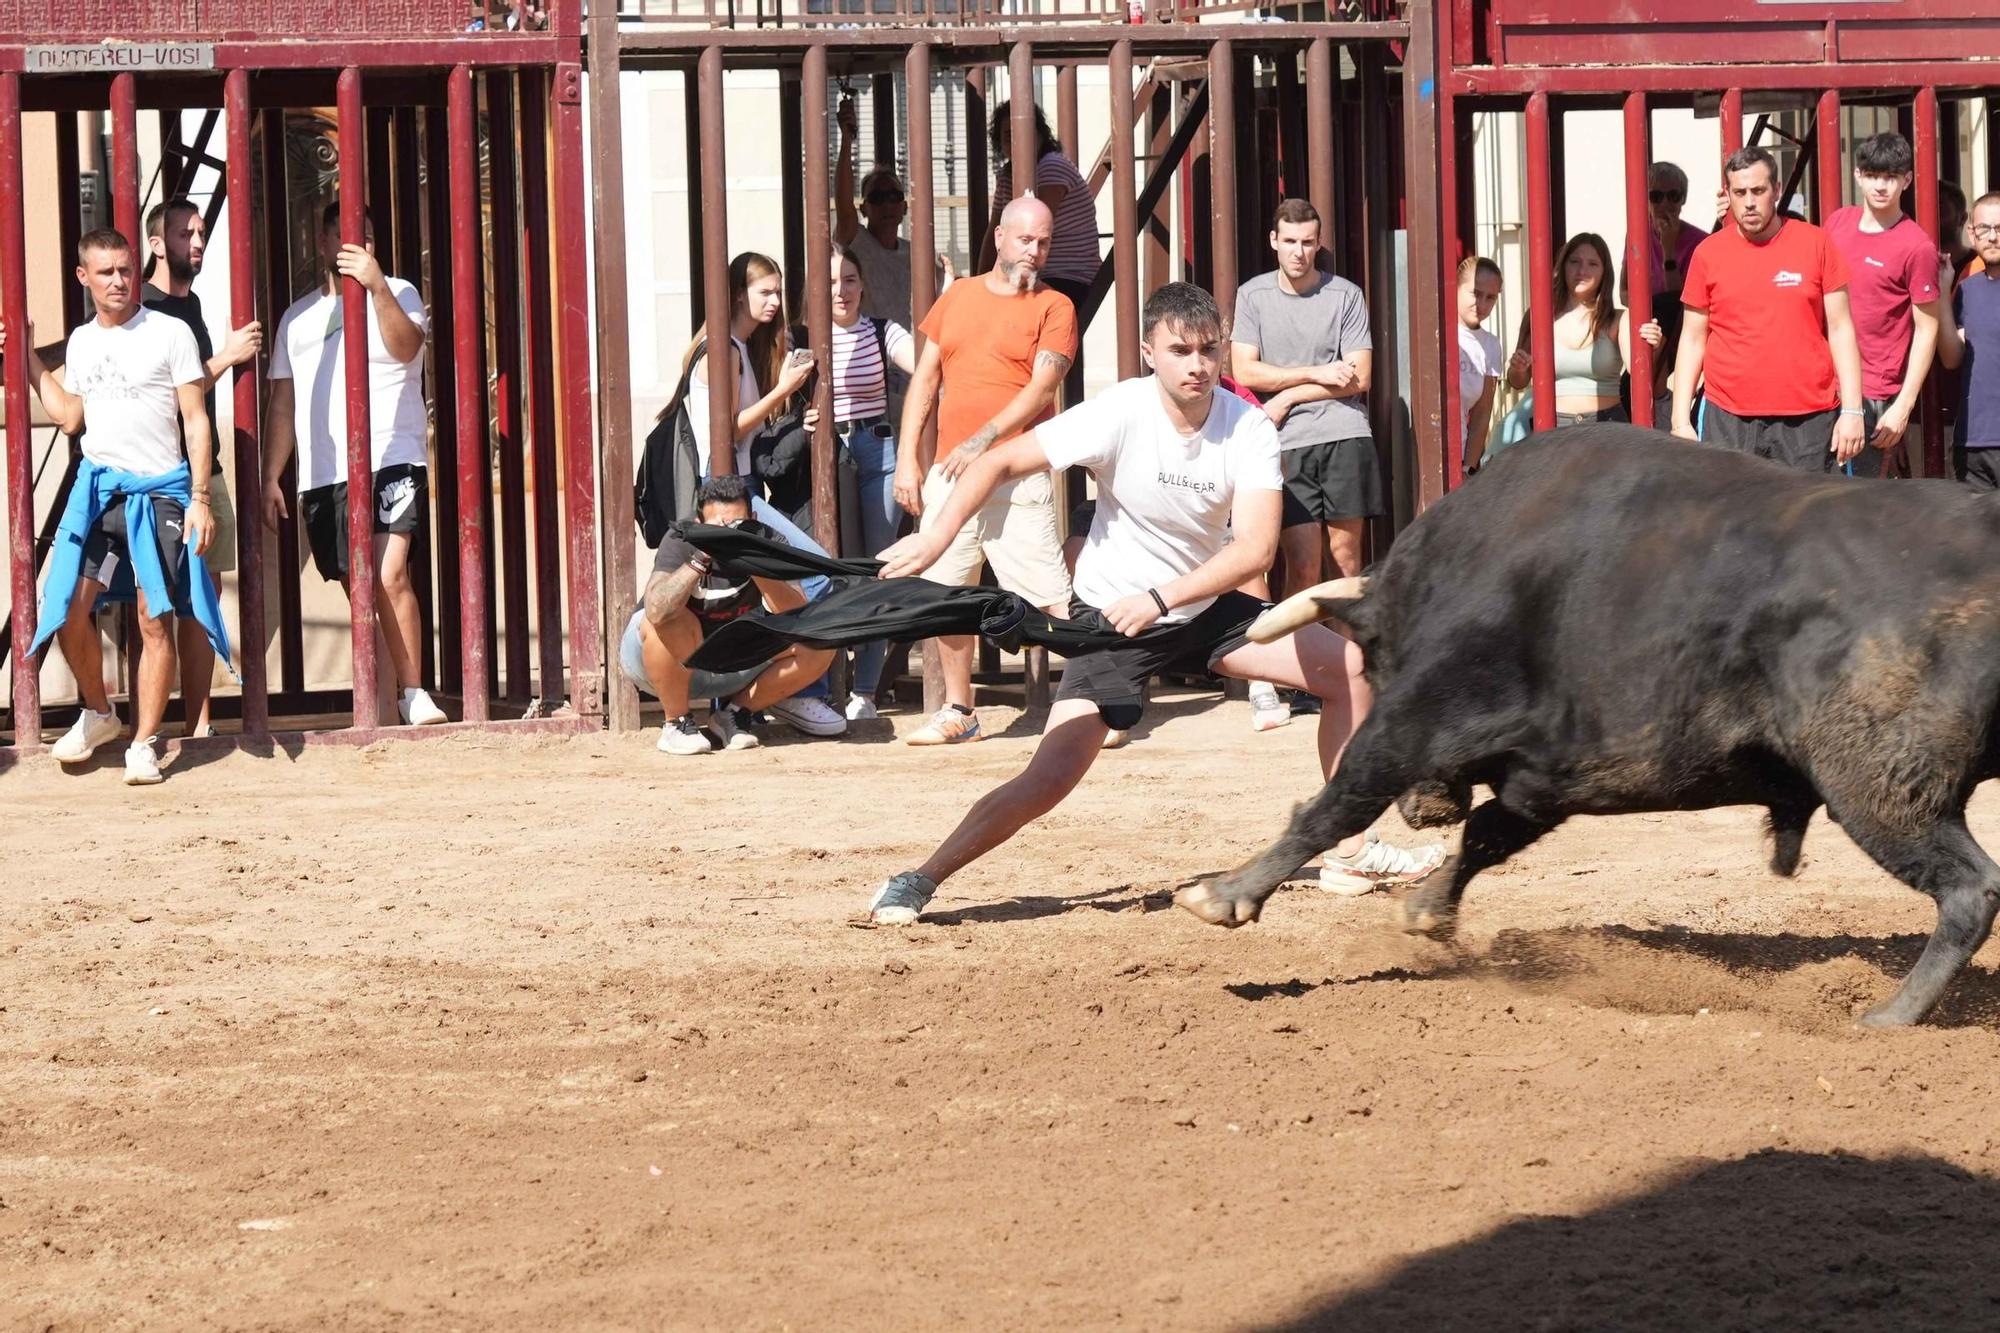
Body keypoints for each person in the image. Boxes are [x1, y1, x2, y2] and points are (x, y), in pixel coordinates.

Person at [861, 282, 1443, 925]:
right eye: (1179, 351)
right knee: (1048, 779)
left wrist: (1163, 595)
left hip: (1201, 609)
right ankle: (919, 878)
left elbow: (1254, 550)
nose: (1197, 365)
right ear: (1148, 353)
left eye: (1207, 351)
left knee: (1352, 672)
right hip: (1115, 624)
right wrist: (935, 536)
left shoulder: (1246, 426)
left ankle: (1350, 849)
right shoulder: (1120, 411)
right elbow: (1000, 462)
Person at [4, 229, 219, 784]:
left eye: (125, 270)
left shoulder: (170, 332)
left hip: (162, 494)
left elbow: (195, 418)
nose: (120, 281)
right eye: (106, 273)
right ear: (85, 278)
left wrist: (200, 498)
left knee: (154, 620)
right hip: (100, 494)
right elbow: (72, 417)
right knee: (71, 609)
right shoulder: (81, 342)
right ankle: (100, 713)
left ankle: (143, 743)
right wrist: (28, 361)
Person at [892, 196, 1076, 746]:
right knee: (945, 594)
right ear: (999, 237)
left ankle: (1090, 700)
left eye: (1043, 242)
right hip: (950, 470)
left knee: (1049, 594)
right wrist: (908, 459)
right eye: (1025, 239)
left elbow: (1043, 388)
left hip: (1016, 470)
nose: (1034, 252)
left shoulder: (1055, 306)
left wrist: (984, 439)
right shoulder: (959, 296)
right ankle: (959, 710)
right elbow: (924, 379)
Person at [260, 202, 446, 728]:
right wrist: (271, 474)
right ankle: (383, 712)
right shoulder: (297, 319)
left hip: (392, 456)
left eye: (365, 236)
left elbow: (408, 348)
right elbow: (283, 402)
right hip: (324, 474)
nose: (355, 247)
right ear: (322, 243)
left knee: (388, 575)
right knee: (361, 591)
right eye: (344, 238)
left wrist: (378, 287)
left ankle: (415, 692)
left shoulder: (401, 291)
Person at [141, 197, 262, 738]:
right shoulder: (144, 309)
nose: (198, 239)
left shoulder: (190, 306)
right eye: (186, 231)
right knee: (149, 607)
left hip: (204, 473)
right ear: (155, 243)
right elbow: (164, 397)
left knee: (201, 601)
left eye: (203, 230)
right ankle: (142, 728)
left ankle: (200, 724)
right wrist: (227, 357)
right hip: (158, 477)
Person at [1671, 147, 1866, 471]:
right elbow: (1692, 339)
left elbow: (1842, 329)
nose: (1749, 202)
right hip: (1728, 417)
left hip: (1810, 418)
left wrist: (1853, 410)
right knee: (1729, 520)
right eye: (1740, 192)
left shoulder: (1816, 243)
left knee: (1812, 521)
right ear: (1728, 194)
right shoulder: (1707, 253)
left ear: (1776, 190)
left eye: (1758, 191)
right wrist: (1680, 421)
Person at [618, 475, 838, 755]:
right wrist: (700, 557)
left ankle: (734, 715)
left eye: (738, 525)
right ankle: (676, 723)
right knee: (666, 618)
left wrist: (755, 560)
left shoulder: (768, 540)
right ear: (698, 525)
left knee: (819, 638)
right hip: (662, 665)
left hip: (731, 662)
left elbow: (796, 616)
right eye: (717, 528)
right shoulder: (680, 539)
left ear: (754, 518)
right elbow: (656, 609)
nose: (729, 534)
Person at [1231, 199, 1376, 588]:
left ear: (1318, 243)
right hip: (1284, 441)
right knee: (1303, 563)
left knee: (1345, 562)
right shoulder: (1252, 296)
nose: (1299, 252)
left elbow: (1359, 377)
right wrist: (1318, 372)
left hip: (1344, 434)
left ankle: (1349, 651)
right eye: (1291, 241)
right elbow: (1243, 370)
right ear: (1274, 241)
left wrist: (1289, 395)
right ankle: (1297, 651)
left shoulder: (1345, 295)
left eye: (1308, 242)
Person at [801, 243, 918, 721]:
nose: (841, 290)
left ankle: (864, 691)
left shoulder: (880, 330)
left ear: (863, 284)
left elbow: (925, 364)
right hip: (829, 455)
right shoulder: (803, 339)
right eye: (830, 281)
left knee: (877, 568)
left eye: (849, 279)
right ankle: (827, 682)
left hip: (880, 450)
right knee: (831, 570)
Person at [1823, 132, 1944, 479]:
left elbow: (1927, 329)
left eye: (1890, 177)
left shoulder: (1917, 246)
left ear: (1906, 180)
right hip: (1825, 386)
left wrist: (1903, 407)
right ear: (1858, 175)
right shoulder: (1837, 223)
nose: (1881, 186)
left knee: (1863, 511)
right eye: (1873, 175)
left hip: (1874, 394)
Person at [668, 251, 818, 482]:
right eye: (765, 293)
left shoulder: (740, 345)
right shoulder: (726, 350)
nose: (776, 302)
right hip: (724, 477)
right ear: (739, 294)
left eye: (778, 292)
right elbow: (728, 430)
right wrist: (783, 390)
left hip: (739, 471)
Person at [1504, 233, 1662, 426]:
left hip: (1607, 426)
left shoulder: (1619, 319)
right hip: (1553, 428)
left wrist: (1651, 345)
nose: (1582, 270)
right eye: (1575, 262)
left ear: (1605, 272)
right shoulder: (1538, 316)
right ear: (1563, 267)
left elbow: (1638, 370)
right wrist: (1518, 368)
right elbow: (1517, 381)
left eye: (1592, 264)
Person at [833, 97, 951, 328]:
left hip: (908, 352)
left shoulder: (916, 253)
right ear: (864, 209)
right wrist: (846, 139)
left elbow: (943, 295)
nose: (887, 205)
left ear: (904, 207)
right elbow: (844, 205)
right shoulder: (855, 240)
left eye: (894, 197)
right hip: (869, 350)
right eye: (877, 198)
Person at [982, 101, 1100, 309]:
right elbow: (995, 231)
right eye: (1009, 136)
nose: (1016, 142)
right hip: (1034, 272)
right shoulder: (1006, 176)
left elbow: (1035, 226)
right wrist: (982, 282)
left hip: (1068, 274)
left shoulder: (1052, 166)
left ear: (1039, 135)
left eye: (1023, 134)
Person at [1936, 192, 2000, 490]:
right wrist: (1943, 292)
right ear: (1971, 233)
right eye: (1984, 229)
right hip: (1972, 442)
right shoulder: (1965, 290)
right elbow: (1952, 358)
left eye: (1999, 228)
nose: (1992, 237)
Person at [1456, 255, 1504, 472]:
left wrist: (1468, 467)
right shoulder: (1437, 331)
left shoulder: (1491, 345)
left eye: (1490, 297)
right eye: (1475, 293)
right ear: (1455, 288)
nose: (1481, 304)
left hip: (1459, 452)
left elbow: (1482, 413)